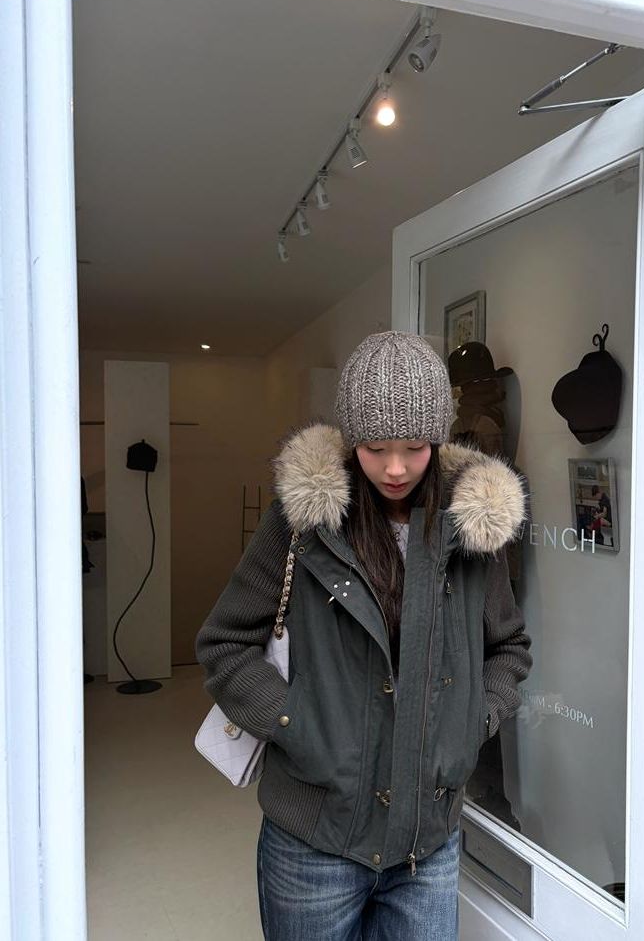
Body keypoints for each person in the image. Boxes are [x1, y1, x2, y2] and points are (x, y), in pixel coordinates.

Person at [195, 330, 532, 940]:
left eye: (414, 447)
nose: (395, 468)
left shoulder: (470, 527)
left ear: (438, 438)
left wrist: (472, 720)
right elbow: (225, 644)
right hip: (313, 843)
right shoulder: (304, 521)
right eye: (376, 449)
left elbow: (508, 647)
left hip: (428, 845)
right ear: (353, 442)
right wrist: (297, 723)